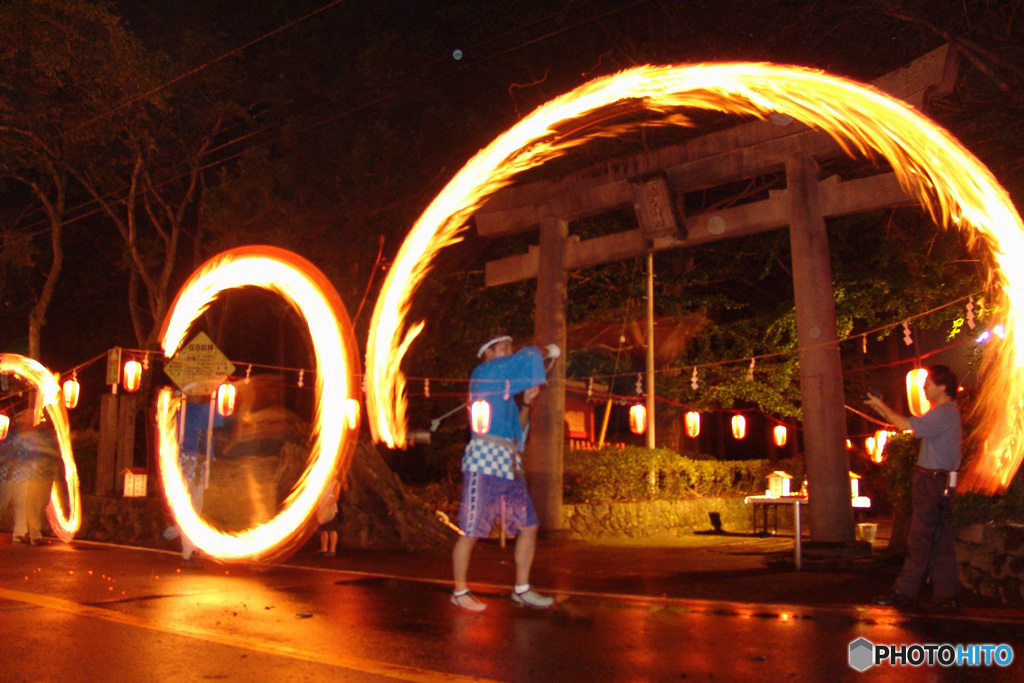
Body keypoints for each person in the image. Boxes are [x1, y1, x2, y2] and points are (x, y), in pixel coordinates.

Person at [450, 334, 558, 612]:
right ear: (488, 354)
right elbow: (528, 356)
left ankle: (521, 588)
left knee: (529, 526)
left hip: (508, 462)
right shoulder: (484, 373)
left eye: (510, 348)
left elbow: (517, 433)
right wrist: (546, 350)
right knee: (470, 530)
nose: (509, 353)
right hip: (483, 461)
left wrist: (526, 403)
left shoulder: (503, 392)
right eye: (503, 349)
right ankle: (459, 590)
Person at [864, 364, 962, 610]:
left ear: (942, 386)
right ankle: (945, 595)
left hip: (932, 482)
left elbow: (906, 426)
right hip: (936, 481)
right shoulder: (944, 412)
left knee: (919, 538)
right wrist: (879, 406)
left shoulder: (944, 413)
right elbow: (904, 423)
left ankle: (904, 592)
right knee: (939, 540)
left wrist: (880, 405)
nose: (923, 386)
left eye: (928, 382)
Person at [316, 476, 342, 557]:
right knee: (323, 530)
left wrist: (328, 506)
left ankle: (332, 550)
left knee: (332, 529)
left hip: (330, 509)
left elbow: (336, 496)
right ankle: (324, 548)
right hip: (321, 507)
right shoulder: (322, 482)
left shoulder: (335, 483)